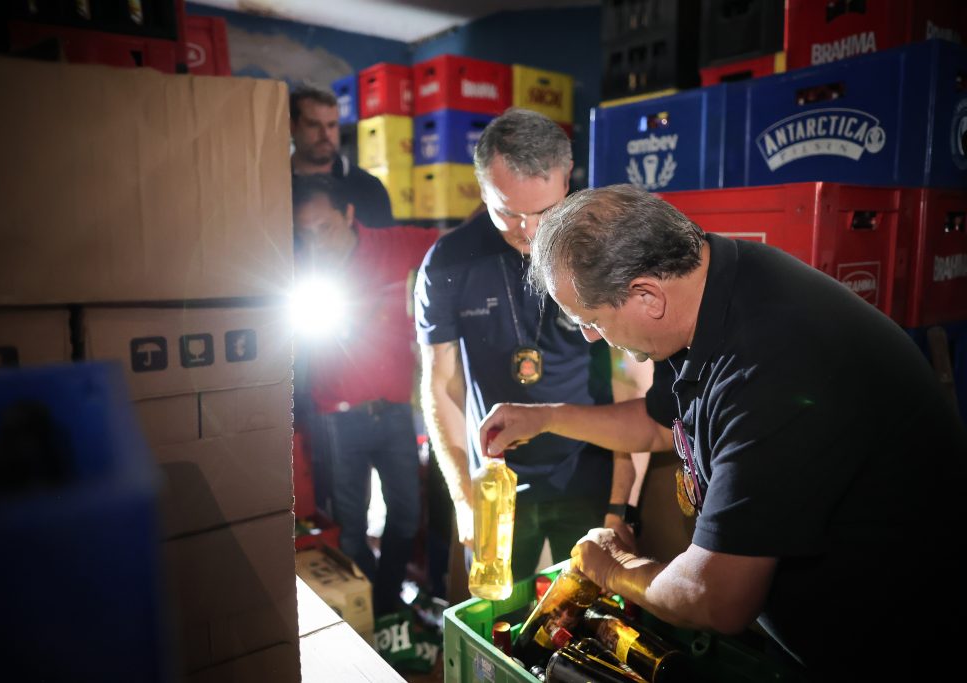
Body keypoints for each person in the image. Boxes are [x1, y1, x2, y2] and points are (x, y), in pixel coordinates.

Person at [480, 184, 967, 679]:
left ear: (646, 295)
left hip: (895, 647)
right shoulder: (705, 283)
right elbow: (662, 424)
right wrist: (545, 417)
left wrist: (613, 568)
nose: (589, 336)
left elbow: (715, 598)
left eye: (591, 320)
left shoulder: (772, 367)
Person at [415, 108, 641, 584]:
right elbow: (441, 386)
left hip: (589, 472)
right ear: (482, 190)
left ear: (567, 178)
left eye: (544, 211)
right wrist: (462, 498)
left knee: (589, 615)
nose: (530, 230)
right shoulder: (448, 262)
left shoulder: (599, 249)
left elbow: (629, 383)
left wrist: (621, 503)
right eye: (508, 213)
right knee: (496, 614)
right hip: (496, 481)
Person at [291, 173, 438, 615]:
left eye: (324, 227)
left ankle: (387, 605)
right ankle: (372, 608)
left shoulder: (390, 244)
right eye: (305, 232)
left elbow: (450, 242)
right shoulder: (300, 269)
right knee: (350, 528)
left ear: (348, 214)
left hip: (393, 410)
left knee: (406, 515)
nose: (316, 241)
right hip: (337, 417)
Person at [290, 84, 393, 228]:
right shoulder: (273, 184)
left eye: (332, 125)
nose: (325, 134)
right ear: (292, 127)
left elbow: (385, 241)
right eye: (313, 125)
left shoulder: (370, 188)